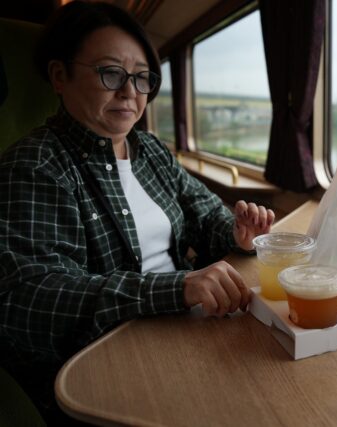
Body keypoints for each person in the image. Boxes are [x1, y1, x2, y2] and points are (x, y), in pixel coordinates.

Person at [0, 1, 275, 423]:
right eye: (111, 73)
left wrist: (237, 232)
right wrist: (174, 288)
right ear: (59, 76)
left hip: (184, 325)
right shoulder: (36, 166)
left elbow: (204, 213)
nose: (130, 92)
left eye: (143, 77)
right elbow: (30, 298)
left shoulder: (150, 150)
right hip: (100, 366)